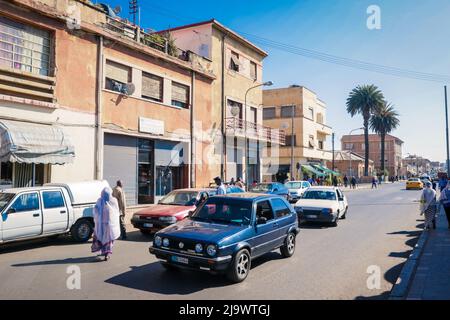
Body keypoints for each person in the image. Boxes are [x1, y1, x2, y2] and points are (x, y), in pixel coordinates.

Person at [91, 187, 121, 261]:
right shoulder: (114, 201)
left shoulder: (100, 201)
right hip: (110, 226)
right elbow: (116, 212)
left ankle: (104, 252)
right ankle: (106, 254)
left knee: (101, 238)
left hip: (101, 226)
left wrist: (98, 217)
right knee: (108, 240)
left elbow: (95, 210)